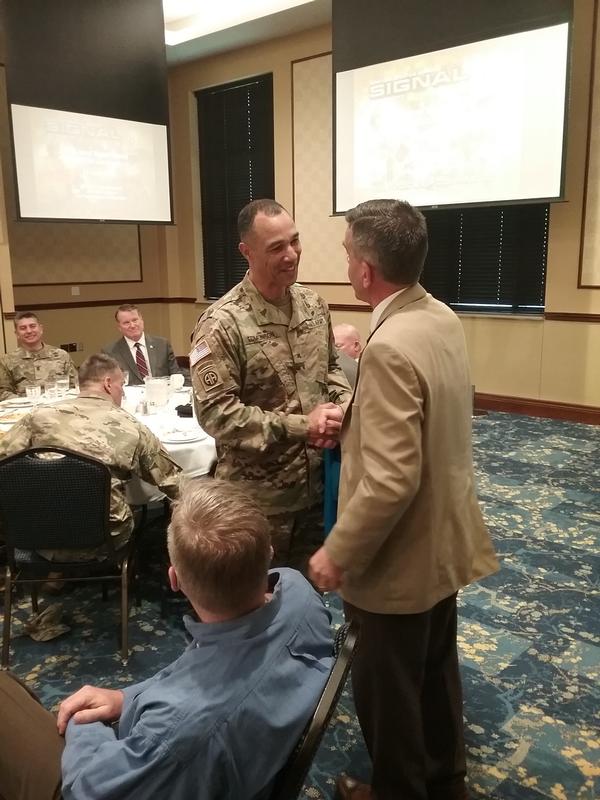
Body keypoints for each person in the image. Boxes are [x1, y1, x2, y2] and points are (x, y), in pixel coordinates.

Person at [309, 199, 499, 800]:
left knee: (387, 692)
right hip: (442, 540)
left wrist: (337, 552)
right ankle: (446, 782)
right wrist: (359, 422)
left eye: (345, 254)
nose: (345, 264)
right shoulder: (439, 316)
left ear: (365, 270)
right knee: (437, 673)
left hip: (397, 557)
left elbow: (391, 479)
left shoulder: (388, 345)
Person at [0, 479, 334, 800]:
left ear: (174, 579)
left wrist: (83, 724)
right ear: (270, 555)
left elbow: (88, 790)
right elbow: (200, 667)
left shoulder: (175, 734)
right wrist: (126, 698)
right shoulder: (298, 592)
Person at [190, 198, 352, 573]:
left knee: (309, 600)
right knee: (257, 608)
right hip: (257, 504)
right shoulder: (221, 324)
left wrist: (340, 411)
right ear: (246, 252)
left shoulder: (313, 305)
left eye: (294, 241)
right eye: (276, 247)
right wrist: (303, 426)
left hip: (316, 490)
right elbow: (216, 415)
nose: (291, 255)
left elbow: (331, 369)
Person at [0, 353, 181, 559]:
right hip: (104, 538)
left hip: (33, 532)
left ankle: (54, 569)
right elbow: (173, 481)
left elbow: (4, 459)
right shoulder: (131, 425)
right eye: (121, 385)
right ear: (108, 383)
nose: (122, 393)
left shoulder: (38, 416)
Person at [0, 311, 78, 400]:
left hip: (59, 407)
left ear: (41, 329)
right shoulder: (7, 360)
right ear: (17, 333)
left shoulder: (61, 355)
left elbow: (75, 385)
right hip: (25, 410)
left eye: (32, 326)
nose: (29, 331)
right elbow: (3, 392)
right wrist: (27, 402)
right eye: (23, 328)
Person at [103, 304, 186, 386]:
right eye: (126, 323)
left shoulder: (162, 345)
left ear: (142, 320)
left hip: (162, 395)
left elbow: (176, 375)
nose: (132, 325)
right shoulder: (110, 353)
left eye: (135, 320)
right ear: (119, 327)